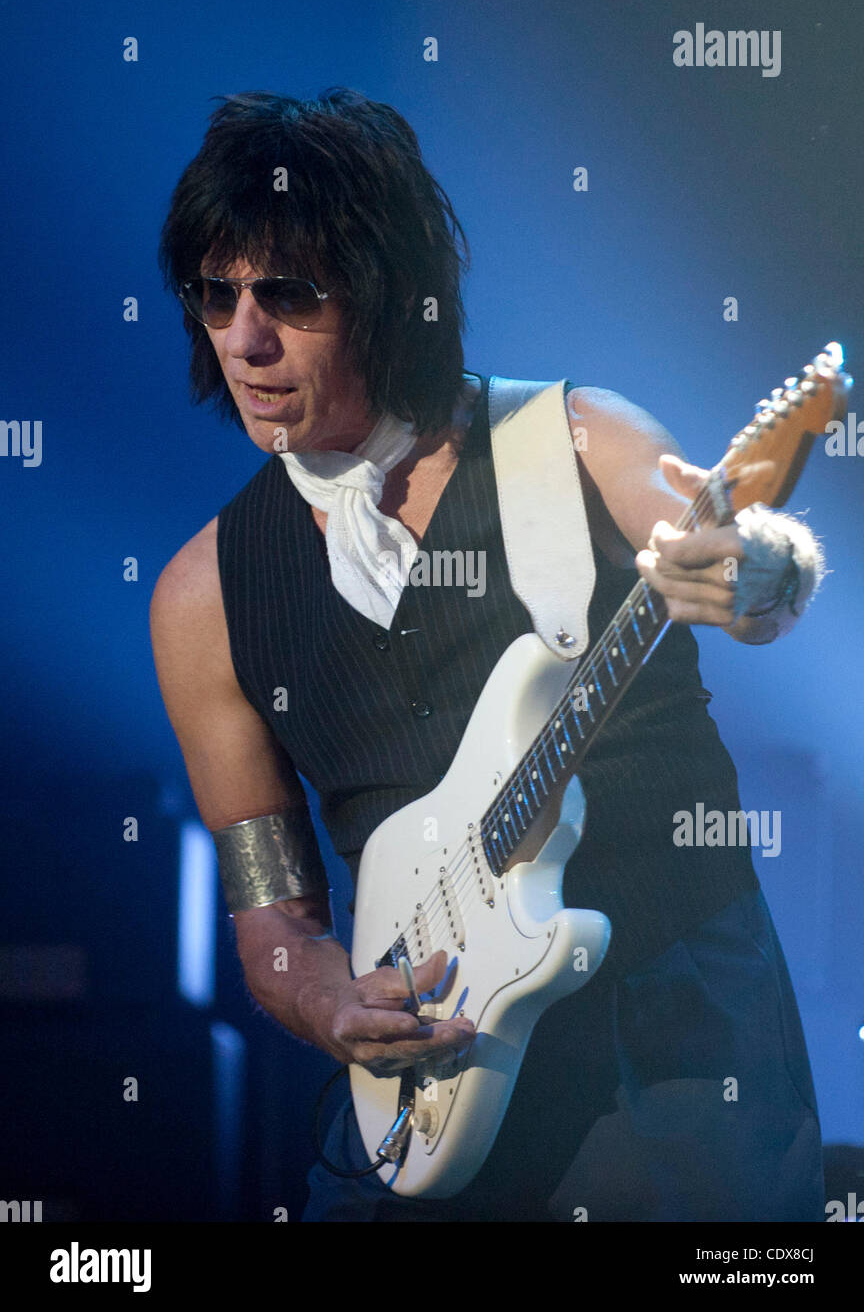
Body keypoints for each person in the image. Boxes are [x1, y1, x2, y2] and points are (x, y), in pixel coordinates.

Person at [150, 88, 825, 1222]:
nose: (245, 338)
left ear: (382, 294)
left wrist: (762, 568)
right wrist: (329, 1010)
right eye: (216, 295)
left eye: (289, 294)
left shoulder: (578, 439)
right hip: (425, 1082)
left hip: (669, 1054)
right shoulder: (203, 592)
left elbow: (724, 549)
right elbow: (275, 915)